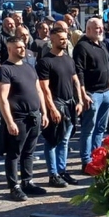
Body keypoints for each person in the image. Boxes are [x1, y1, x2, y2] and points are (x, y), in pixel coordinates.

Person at [0, 34, 49, 201]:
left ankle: (27, 181)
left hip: (34, 116)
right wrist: (9, 121)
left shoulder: (29, 67)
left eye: (23, 46)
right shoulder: (4, 70)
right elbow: (2, 98)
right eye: (18, 47)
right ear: (10, 49)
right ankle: (14, 186)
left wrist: (44, 111)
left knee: (29, 152)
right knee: (14, 154)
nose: (22, 49)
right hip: (18, 118)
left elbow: (38, 90)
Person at [38, 23, 83, 189]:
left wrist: (80, 100)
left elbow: (75, 80)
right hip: (56, 104)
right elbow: (44, 88)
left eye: (65, 38)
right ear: (52, 39)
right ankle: (53, 174)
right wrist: (52, 108)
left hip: (70, 103)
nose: (64, 41)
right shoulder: (45, 62)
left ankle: (62, 171)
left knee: (64, 140)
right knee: (52, 140)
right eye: (61, 39)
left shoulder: (68, 59)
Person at [73, 17, 109, 172]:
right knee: (88, 128)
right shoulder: (82, 46)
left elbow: (105, 65)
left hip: (106, 92)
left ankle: (97, 158)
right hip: (92, 93)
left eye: (101, 27)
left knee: (100, 129)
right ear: (88, 29)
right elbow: (79, 71)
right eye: (96, 27)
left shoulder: (102, 44)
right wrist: (83, 94)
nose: (100, 30)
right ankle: (86, 161)